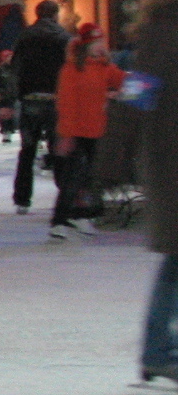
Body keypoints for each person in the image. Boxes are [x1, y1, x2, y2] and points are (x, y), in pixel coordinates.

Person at [126, 0, 178, 383]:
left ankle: (158, 348)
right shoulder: (164, 31)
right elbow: (139, 94)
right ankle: (158, 348)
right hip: (171, 159)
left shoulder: (159, 29)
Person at [48, 25, 122, 240]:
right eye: (96, 43)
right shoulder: (71, 70)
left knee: (90, 177)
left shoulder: (104, 67)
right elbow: (66, 104)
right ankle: (60, 220)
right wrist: (66, 135)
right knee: (71, 178)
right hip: (76, 131)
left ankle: (81, 215)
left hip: (96, 130)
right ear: (85, 46)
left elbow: (122, 79)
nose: (101, 47)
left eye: (102, 43)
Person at [1, 0, 69, 214]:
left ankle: (22, 199)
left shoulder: (25, 37)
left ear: (37, 15)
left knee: (27, 151)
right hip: (55, 100)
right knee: (59, 149)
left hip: (30, 100)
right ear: (56, 14)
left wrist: (9, 100)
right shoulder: (64, 37)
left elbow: (15, 71)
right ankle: (64, 196)